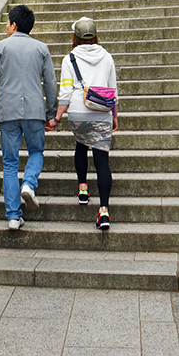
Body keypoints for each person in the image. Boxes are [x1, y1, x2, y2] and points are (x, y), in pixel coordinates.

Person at [0, 4, 58, 230]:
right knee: (36, 151)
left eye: (6, 23)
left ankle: (13, 216)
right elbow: (51, 83)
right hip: (34, 112)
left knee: (10, 163)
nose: (5, 27)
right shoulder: (42, 49)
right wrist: (51, 114)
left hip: (8, 113)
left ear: (13, 25)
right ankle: (30, 184)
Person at [55, 17, 118, 230]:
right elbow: (113, 90)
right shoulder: (107, 57)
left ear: (76, 37)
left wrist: (56, 118)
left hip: (78, 113)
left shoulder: (69, 58)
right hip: (102, 113)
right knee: (102, 160)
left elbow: (65, 92)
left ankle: (83, 188)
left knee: (81, 145)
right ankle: (104, 212)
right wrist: (114, 115)